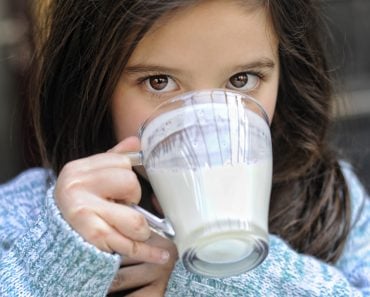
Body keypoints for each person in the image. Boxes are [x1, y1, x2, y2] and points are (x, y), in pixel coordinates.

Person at [1, 0, 369, 296]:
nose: (202, 132)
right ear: (94, 84)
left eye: (241, 80)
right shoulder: (26, 217)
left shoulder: (331, 203)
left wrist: (229, 276)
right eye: (159, 82)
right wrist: (55, 265)